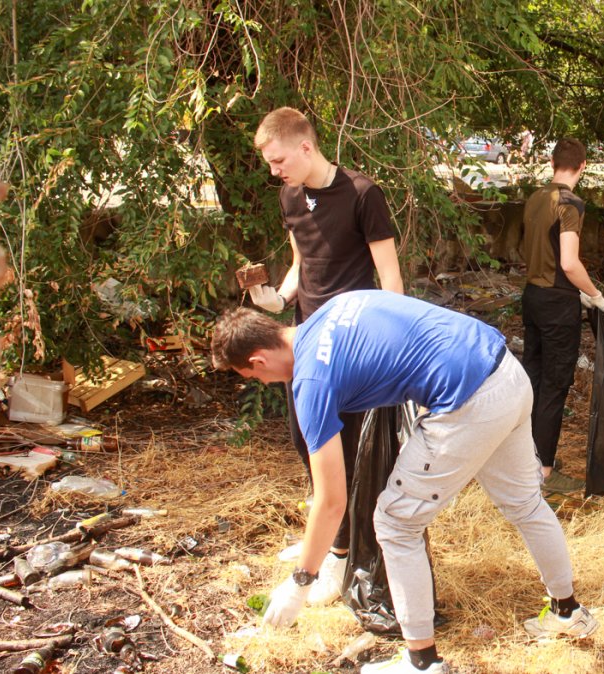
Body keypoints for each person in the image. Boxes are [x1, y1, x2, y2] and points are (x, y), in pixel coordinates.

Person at [211, 293, 597, 673]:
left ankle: (422, 663)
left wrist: (300, 582)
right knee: (526, 503)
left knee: (395, 523)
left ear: (258, 359)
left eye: (254, 376)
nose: (264, 381)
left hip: (469, 400)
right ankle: (568, 613)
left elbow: (331, 502)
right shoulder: (336, 307)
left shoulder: (311, 381)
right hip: (504, 370)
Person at [250, 107, 406, 607]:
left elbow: (391, 277)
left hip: (355, 348)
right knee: (308, 442)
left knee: (355, 456)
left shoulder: (363, 194)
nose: (275, 171)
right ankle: (330, 541)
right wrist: (277, 298)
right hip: (307, 343)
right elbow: (302, 261)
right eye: (270, 164)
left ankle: (342, 555)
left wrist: (394, 348)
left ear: (305, 147)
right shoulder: (289, 195)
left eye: (278, 160)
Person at [520, 139, 604, 494]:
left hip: (533, 296)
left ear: (553, 162)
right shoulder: (570, 204)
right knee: (555, 385)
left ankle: (523, 459)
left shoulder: (535, 197)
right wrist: (593, 294)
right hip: (558, 303)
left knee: (533, 379)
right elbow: (570, 263)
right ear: (582, 166)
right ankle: (542, 471)